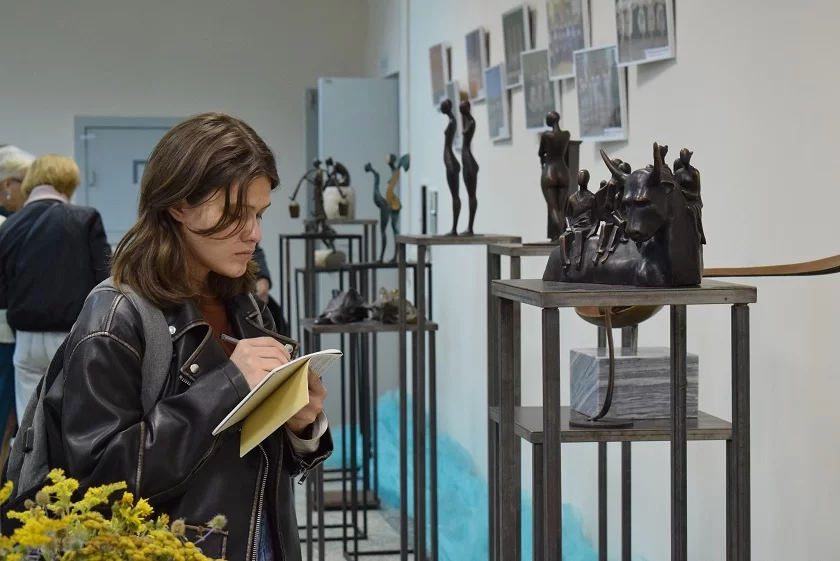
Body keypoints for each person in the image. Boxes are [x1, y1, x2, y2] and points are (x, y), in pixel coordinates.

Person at [38, 112, 331, 561]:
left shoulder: (246, 305)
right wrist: (229, 384)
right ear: (178, 205)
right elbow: (99, 481)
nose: (254, 233)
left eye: (258, 214)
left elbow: (253, 459)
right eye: (236, 213)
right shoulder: (115, 316)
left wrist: (301, 425)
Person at [0, 153, 110, 423]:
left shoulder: (9, 225)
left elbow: (2, 291)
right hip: (73, 335)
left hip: (25, 339)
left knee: (30, 422)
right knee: (73, 419)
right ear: (69, 182)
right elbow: (105, 279)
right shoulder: (85, 218)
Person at [0, 145, 35, 466]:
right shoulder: (7, 225)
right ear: (7, 184)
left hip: (13, 334)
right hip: (4, 338)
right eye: (25, 182)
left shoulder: (16, 221)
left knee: (12, 418)